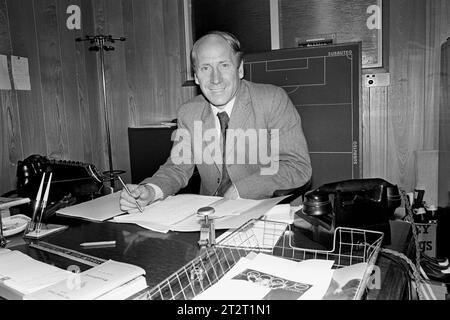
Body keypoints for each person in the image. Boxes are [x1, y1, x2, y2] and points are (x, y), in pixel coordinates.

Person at [120, 31, 311, 212]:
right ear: (196, 76)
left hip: (270, 213)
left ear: (240, 69)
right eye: (205, 68)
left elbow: (296, 166)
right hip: (212, 217)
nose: (215, 79)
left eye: (224, 65)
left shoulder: (272, 99)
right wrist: (151, 190)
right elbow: (178, 167)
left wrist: (242, 189)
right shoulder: (188, 112)